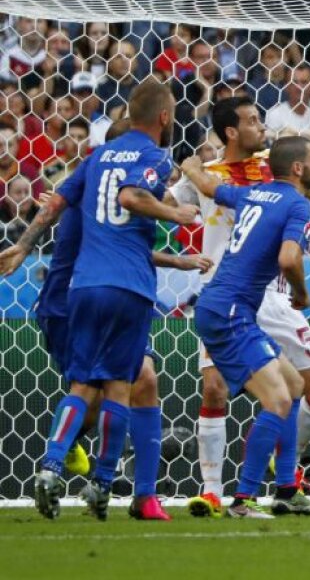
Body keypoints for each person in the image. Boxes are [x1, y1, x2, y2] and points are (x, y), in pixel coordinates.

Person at [0, 117, 211, 521]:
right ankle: (82, 465)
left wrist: (177, 260)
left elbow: (121, 246)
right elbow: (102, 248)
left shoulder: (101, 186)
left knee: (138, 380)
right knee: (100, 388)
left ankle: (137, 491)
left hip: (97, 290)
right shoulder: (101, 189)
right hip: (74, 300)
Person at [169, 97, 310, 517]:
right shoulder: (263, 188)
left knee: (302, 387)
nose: (263, 126)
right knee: (234, 392)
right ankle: (228, 495)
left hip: (259, 298)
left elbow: (214, 188)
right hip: (228, 298)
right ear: (231, 132)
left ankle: (285, 484)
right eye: (254, 120)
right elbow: (184, 199)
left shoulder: (261, 181)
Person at [181, 136, 310, 519]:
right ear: (297, 168)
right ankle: (243, 501)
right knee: (277, 400)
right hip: (230, 312)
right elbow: (289, 257)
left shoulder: (256, 193)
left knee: (294, 385)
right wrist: (302, 294)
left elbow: (211, 187)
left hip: (221, 306)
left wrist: (190, 165)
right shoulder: (298, 205)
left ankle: (286, 490)